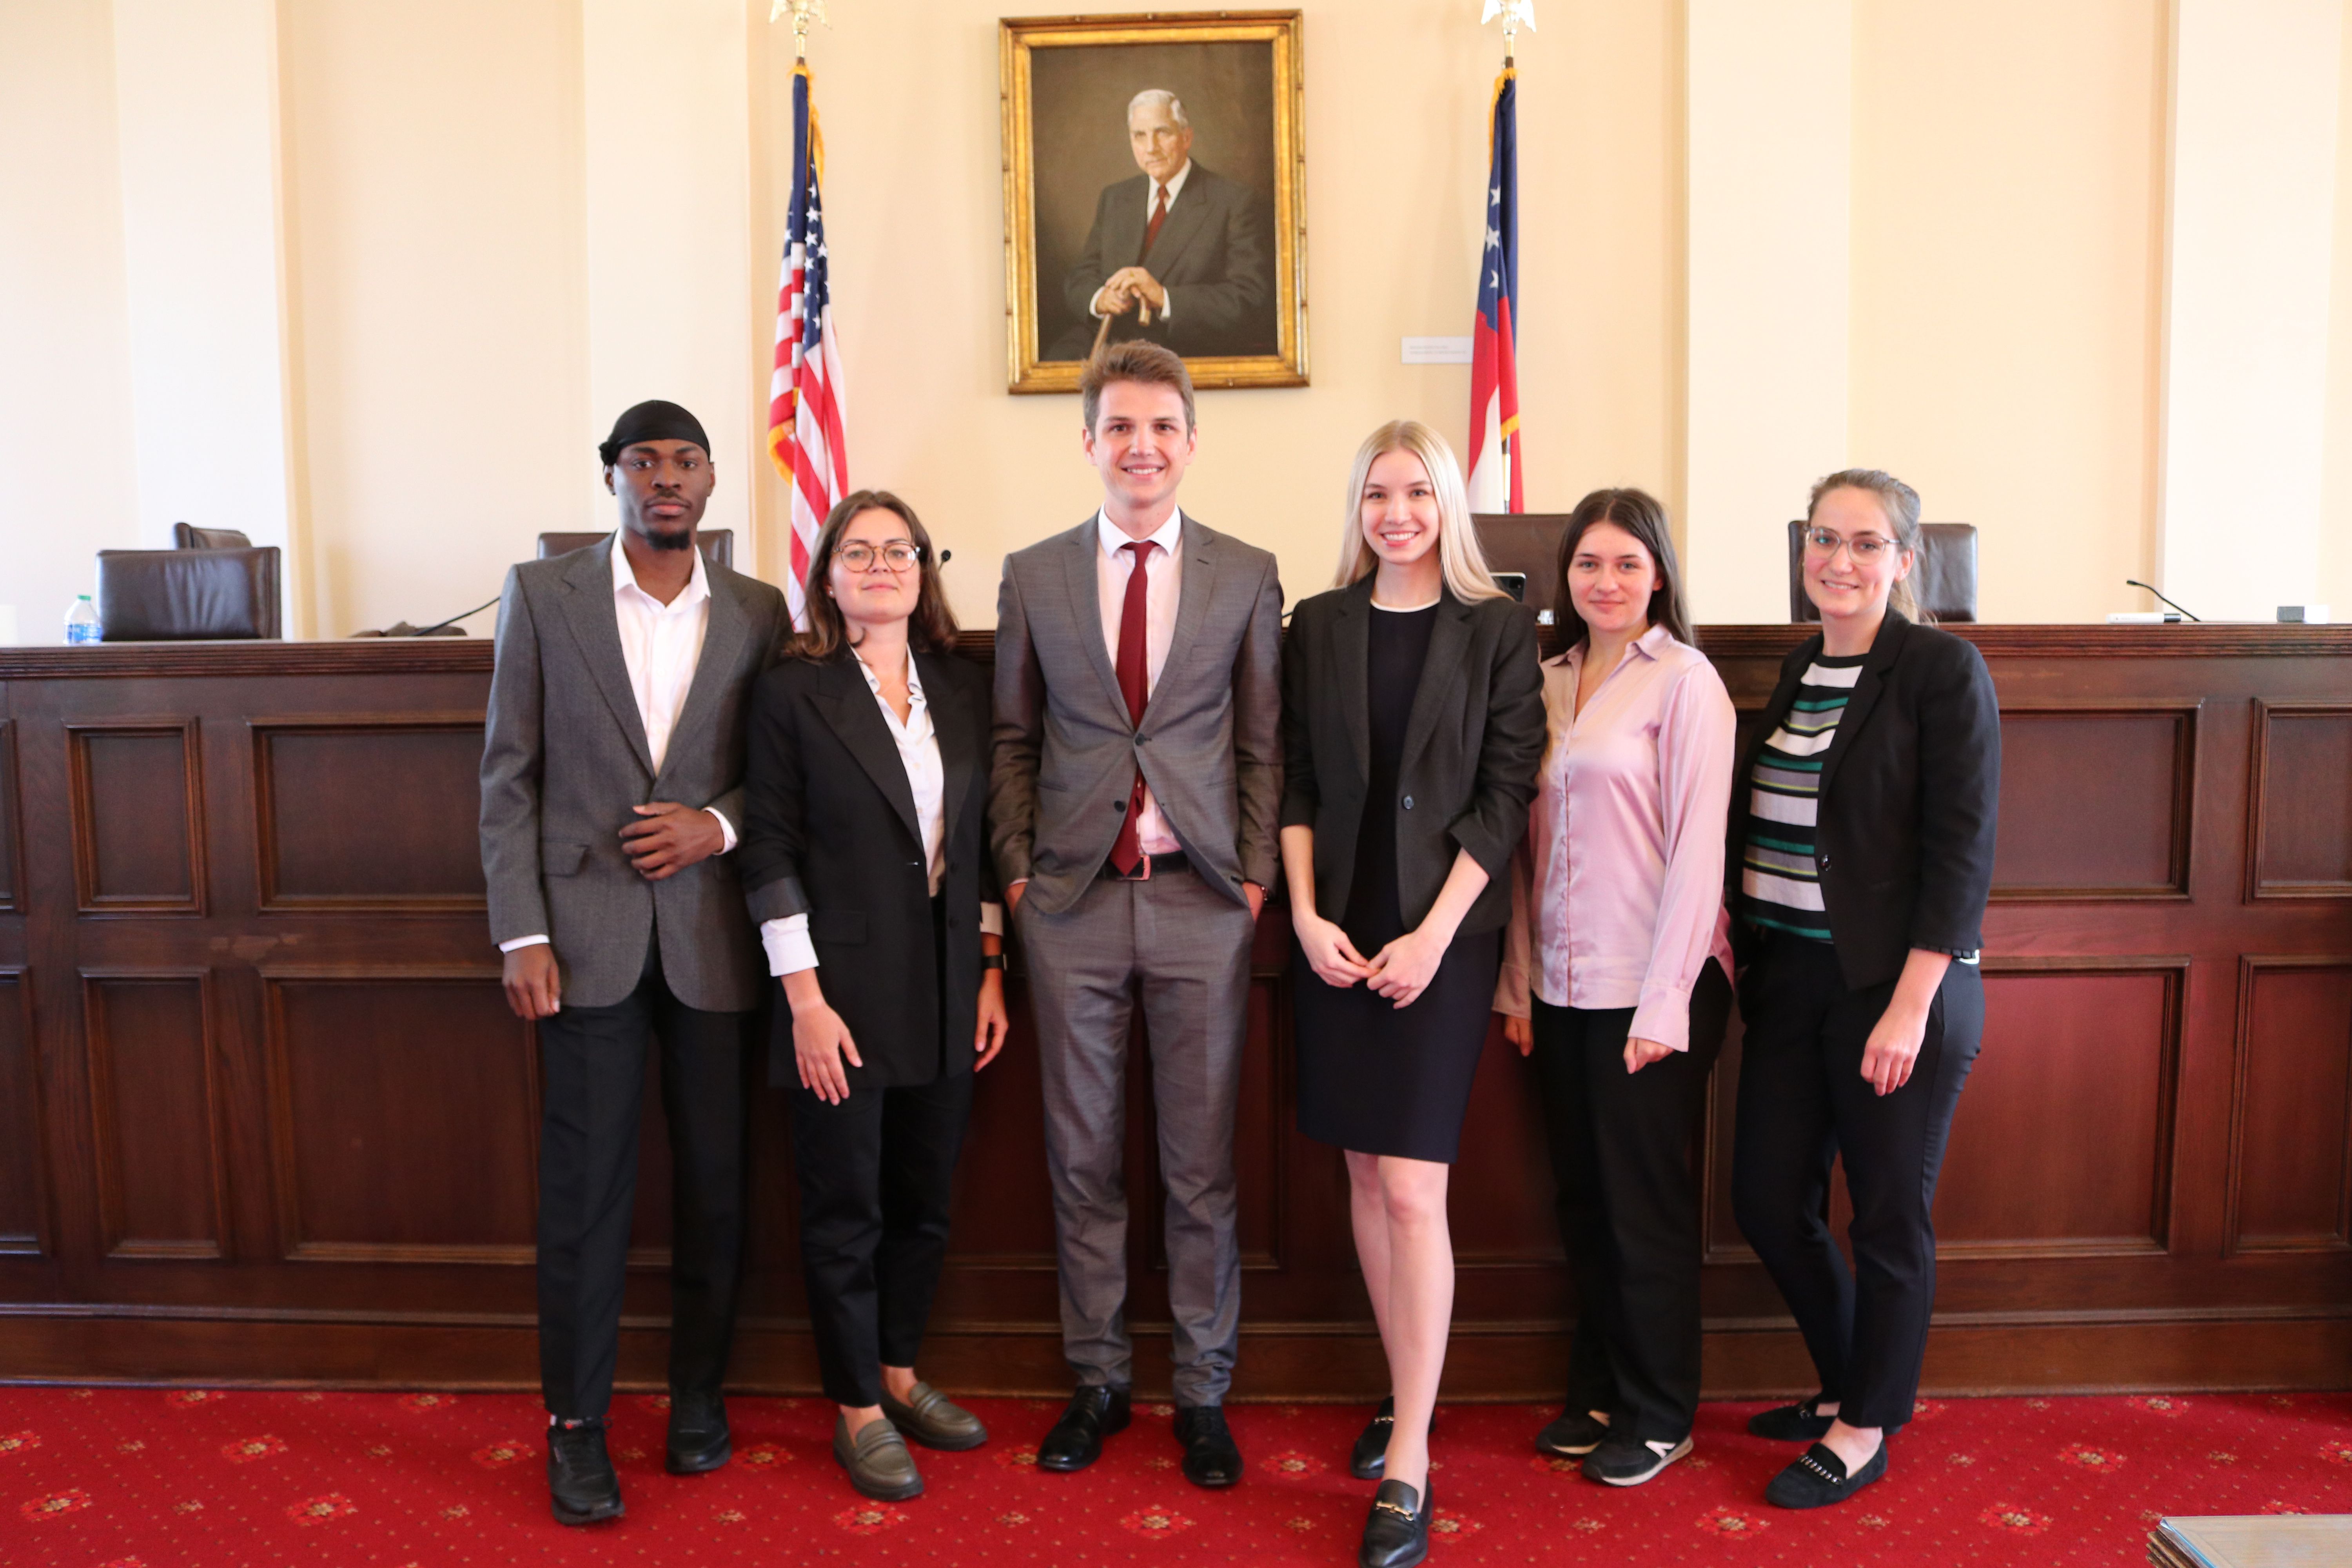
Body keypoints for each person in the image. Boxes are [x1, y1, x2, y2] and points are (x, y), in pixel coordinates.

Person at [479, 400, 787, 1527]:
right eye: (644, 461)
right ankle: (576, 1429)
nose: (667, 478)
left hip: (716, 947)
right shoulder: (543, 597)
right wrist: (523, 931)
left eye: (688, 461)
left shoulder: (759, 609)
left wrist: (721, 825)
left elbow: (785, 768)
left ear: (711, 484)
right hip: (583, 948)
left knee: (715, 1191)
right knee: (585, 1200)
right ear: (612, 478)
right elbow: (508, 774)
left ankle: (699, 1400)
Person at [990, 338, 1283, 1489]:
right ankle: (1098, 1378)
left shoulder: (1243, 573)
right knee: (1080, 1158)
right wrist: (1016, 880)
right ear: (1088, 442)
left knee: (1200, 1170)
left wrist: (1252, 880)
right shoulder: (1032, 574)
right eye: (1119, 426)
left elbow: (1262, 742)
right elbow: (1011, 742)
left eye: (1161, 427)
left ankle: (1202, 1392)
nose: (1141, 446)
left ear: (1190, 443)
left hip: (1205, 904)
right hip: (1069, 904)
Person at [1279, 419, 1544, 1568]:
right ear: (1358, 506)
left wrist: (1436, 936)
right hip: (1334, 933)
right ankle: (1406, 1391)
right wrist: (1300, 912)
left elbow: (1503, 794)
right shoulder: (1318, 623)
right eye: (1377, 493)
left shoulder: (1494, 628)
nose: (1396, 513)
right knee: (1356, 1168)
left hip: (1440, 939)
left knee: (1409, 1191)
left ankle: (1410, 1457)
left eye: (1416, 493)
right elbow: (1290, 773)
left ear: (1448, 506)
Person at [1729, 470, 2000, 1509]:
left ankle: (1864, 1425)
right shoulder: (1802, 669)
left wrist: (1909, 1004)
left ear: (1905, 560)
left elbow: (1961, 854)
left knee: (1888, 1218)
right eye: (1823, 539)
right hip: (1795, 981)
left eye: (1864, 542)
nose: (1838, 560)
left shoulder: (1939, 670)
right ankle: (1855, 1381)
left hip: (1898, 991)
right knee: (1766, 1198)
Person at [738, 491, 1009, 1502]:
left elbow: (977, 841)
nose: (884, 565)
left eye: (900, 550)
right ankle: (856, 1402)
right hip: (839, 993)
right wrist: (803, 997)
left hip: (945, 986)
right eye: (861, 551)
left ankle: (900, 1371)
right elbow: (765, 847)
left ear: (924, 572)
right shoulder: (791, 693)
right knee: (844, 1206)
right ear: (830, 575)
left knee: (924, 1202)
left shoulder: (961, 684)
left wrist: (990, 968)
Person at [1492, 489, 1736, 1489]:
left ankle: (1659, 1408)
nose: (1606, 581)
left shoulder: (1686, 683)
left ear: (1660, 575)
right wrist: (1518, 985)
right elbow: (1522, 850)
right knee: (1586, 1200)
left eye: (1627, 564)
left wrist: (1665, 1004)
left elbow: (1698, 857)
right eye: (1589, 564)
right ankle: (1598, 1390)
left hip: (1653, 985)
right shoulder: (1544, 681)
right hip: (1559, 983)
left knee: (1643, 1207)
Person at [1047, 88, 1276, 361]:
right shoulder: (1116, 197)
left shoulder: (1235, 202)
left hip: (1180, 348)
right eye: (1139, 136)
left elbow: (1250, 300)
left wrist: (1164, 297)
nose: (1151, 148)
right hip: (1103, 340)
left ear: (1187, 137)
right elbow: (1082, 275)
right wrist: (1099, 299)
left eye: (1162, 133)